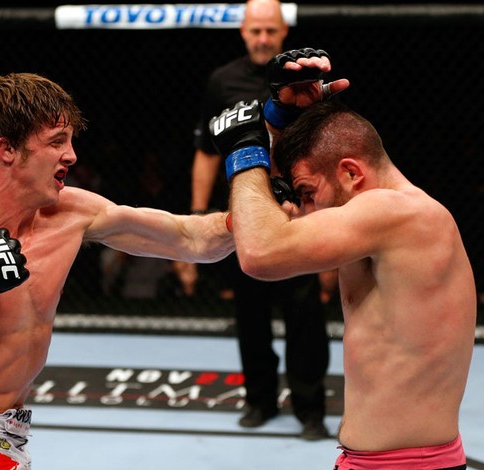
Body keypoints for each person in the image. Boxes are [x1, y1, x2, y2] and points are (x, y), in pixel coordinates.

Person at [0, 72, 235, 469]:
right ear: (7, 149)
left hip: (11, 439)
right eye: (56, 142)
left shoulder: (71, 213)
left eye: (69, 141)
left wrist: (257, 212)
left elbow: (192, 239)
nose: (72, 156)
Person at [211, 51, 475, 468]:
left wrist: (243, 148)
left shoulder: (396, 212)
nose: (305, 211)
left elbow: (260, 253)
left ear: (351, 173)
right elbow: (310, 157)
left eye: (307, 194)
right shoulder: (389, 219)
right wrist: (278, 119)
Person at [183, 0, 331, 439]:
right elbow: (207, 152)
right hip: (244, 215)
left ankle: (311, 410)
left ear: (284, 31)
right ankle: (259, 401)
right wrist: (196, 215)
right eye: (255, 31)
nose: (263, 38)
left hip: (301, 214)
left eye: (270, 30)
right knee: (250, 313)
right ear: (243, 32)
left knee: (305, 313)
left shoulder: (306, 81)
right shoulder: (223, 81)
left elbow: (326, 149)